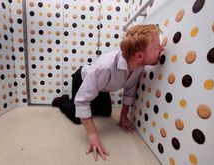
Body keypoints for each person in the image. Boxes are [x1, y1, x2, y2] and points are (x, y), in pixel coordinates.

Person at [52, 24, 164, 161]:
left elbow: (129, 91)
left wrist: (123, 116)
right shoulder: (105, 67)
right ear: (139, 56)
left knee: (106, 112)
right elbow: (82, 101)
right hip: (83, 79)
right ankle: (63, 101)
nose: (162, 49)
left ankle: (81, 102)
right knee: (78, 116)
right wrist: (93, 136)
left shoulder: (139, 66)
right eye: (156, 47)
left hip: (102, 87)